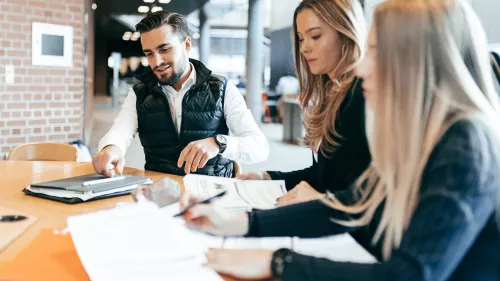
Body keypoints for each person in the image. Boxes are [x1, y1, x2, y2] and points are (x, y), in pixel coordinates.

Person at [181, 0, 500, 280]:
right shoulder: (423, 134)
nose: (361, 68)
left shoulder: (465, 146)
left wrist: (277, 262)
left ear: (419, 61)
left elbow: (408, 274)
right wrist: (238, 222)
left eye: (375, 52)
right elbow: (352, 203)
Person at [92, 11, 269, 178]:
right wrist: (111, 147)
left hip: (211, 194)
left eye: (164, 49)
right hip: (161, 192)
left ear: (186, 44)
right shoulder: (140, 93)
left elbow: (259, 148)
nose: (157, 62)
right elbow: (120, 130)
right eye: (149, 54)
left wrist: (219, 143)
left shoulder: (222, 89)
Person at [238, 0, 370, 206]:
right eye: (301, 39)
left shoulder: (364, 94)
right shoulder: (332, 94)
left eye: (315, 36)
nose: (305, 48)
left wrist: (323, 201)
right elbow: (325, 176)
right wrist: (268, 177)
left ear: (345, 32)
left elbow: (374, 194)